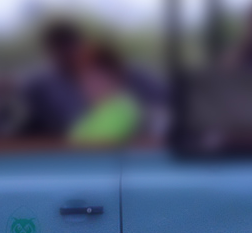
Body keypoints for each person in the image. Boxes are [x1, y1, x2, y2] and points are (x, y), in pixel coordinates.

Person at [20, 19, 164, 141]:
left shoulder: (127, 109)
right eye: (83, 78)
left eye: (95, 74)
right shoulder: (42, 83)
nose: (87, 83)